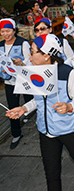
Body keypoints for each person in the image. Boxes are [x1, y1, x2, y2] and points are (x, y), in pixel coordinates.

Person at [5, 34, 74, 191]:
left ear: (46, 55)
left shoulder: (67, 73)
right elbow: (38, 100)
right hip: (45, 130)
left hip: (69, 128)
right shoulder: (33, 72)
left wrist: (69, 107)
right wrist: (23, 109)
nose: (29, 57)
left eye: (32, 52)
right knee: (51, 173)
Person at [0, 18, 31, 149]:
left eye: (8, 31)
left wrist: (22, 63)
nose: (6, 34)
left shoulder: (23, 43)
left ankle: (27, 113)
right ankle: (16, 133)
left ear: (14, 30)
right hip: (9, 81)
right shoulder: (0, 45)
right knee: (12, 106)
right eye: (2, 31)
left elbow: (31, 61)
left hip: (23, 79)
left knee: (29, 99)